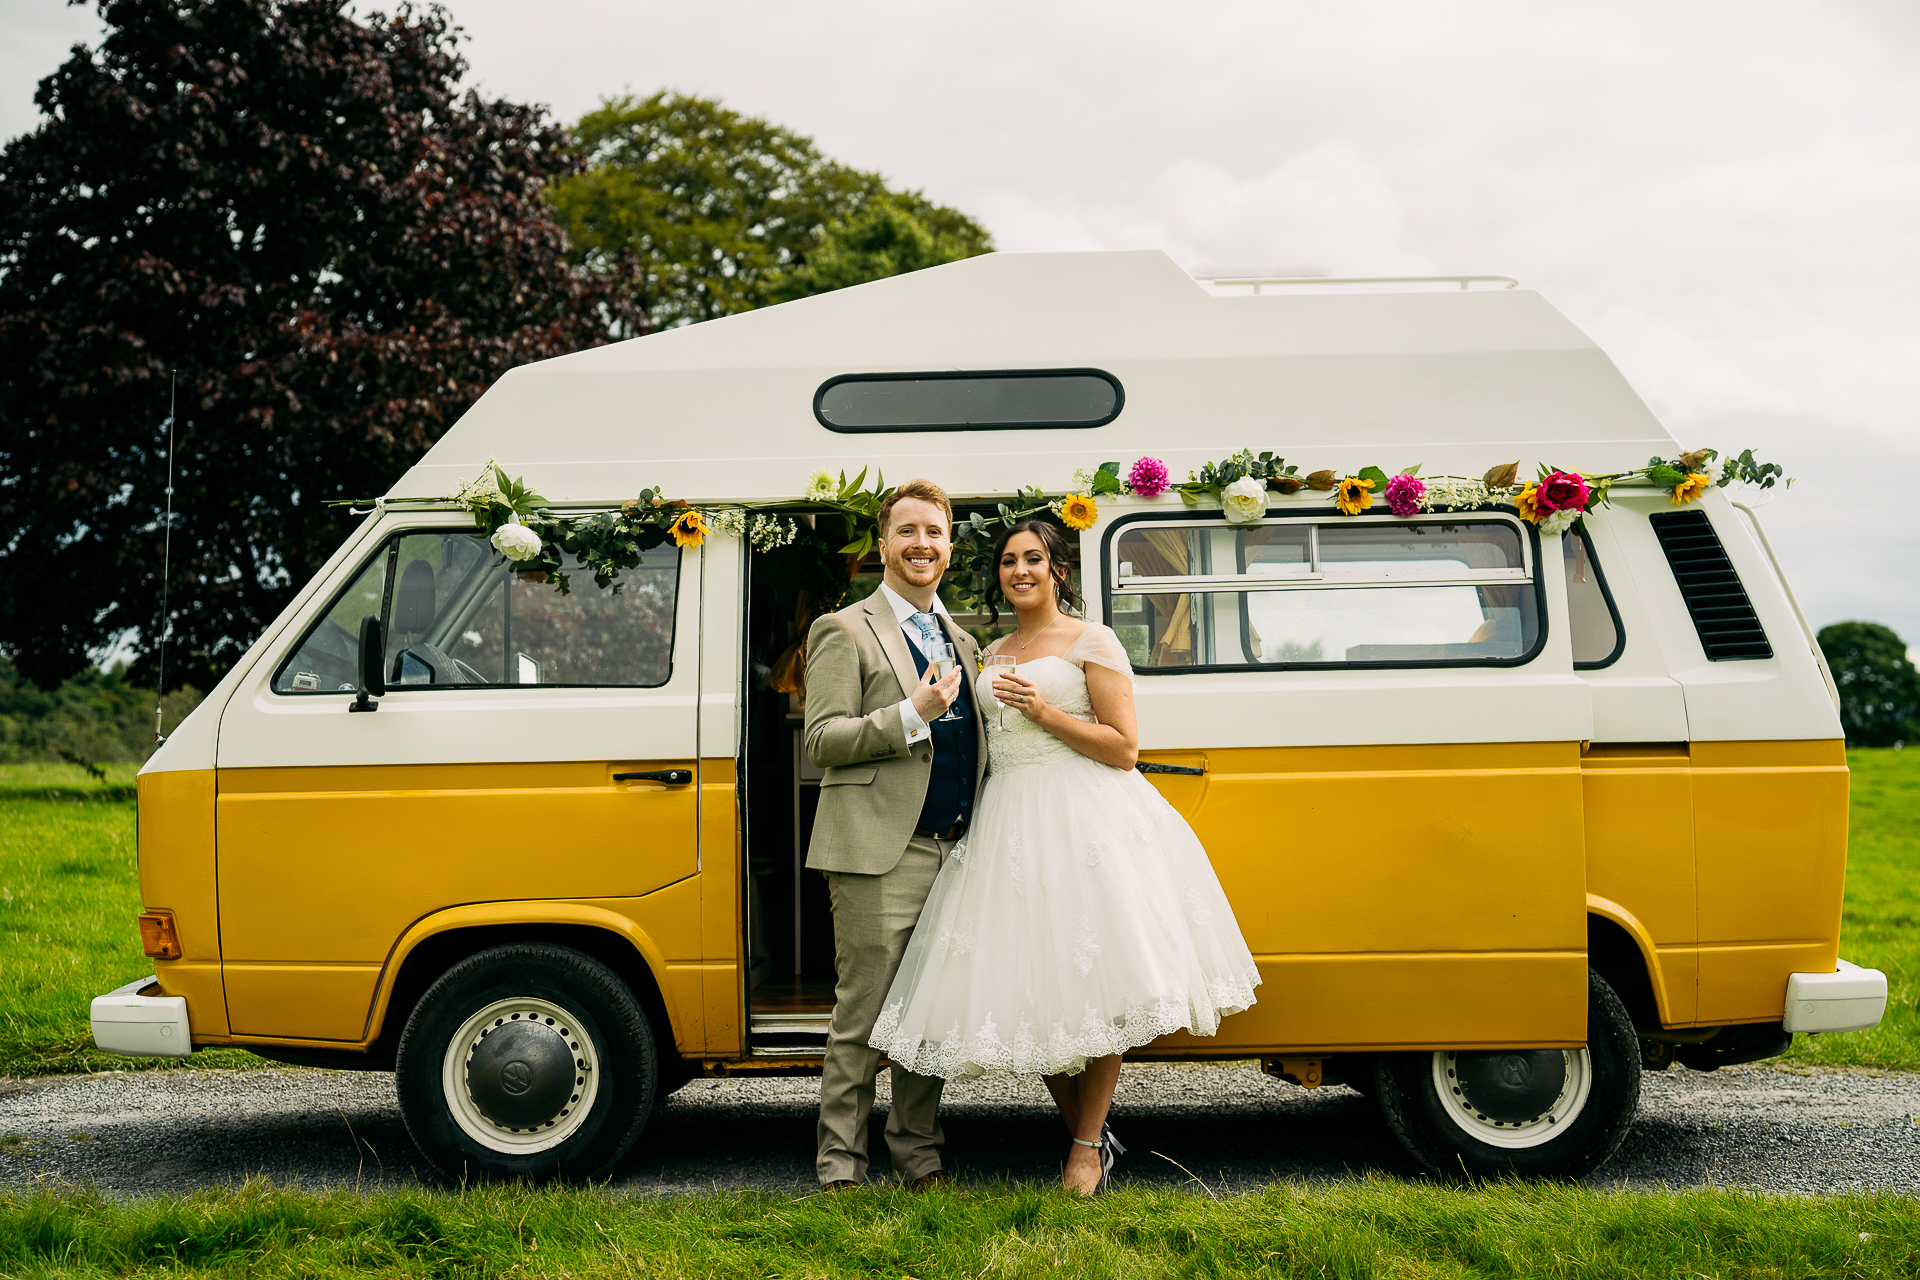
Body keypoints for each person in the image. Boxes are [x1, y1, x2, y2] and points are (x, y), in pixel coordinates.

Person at [869, 519, 1260, 1196]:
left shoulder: (1093, 640)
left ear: (1057, 571)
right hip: (1008, 822)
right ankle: (1091, 1130)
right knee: (1028, 985)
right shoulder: (988, 651)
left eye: (1033, 559)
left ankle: (1083, 1149)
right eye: (1008, 561)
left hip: (1086, 818)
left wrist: (1046, 714)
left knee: (1097, 985)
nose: (1019, 570)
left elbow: (1124, 747)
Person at [802, 478, 985, 1192]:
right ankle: (841, 1167)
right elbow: (822, 738)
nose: (921, 545)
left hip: (953, 852)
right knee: (862, 1021)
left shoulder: (962, 638)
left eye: (934, 533)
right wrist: (911, 713)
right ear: (883, 546)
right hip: (879, 856)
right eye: (907, 531)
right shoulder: (842, 629)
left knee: (925, 1020)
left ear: (948, 548)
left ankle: (919, 1160)